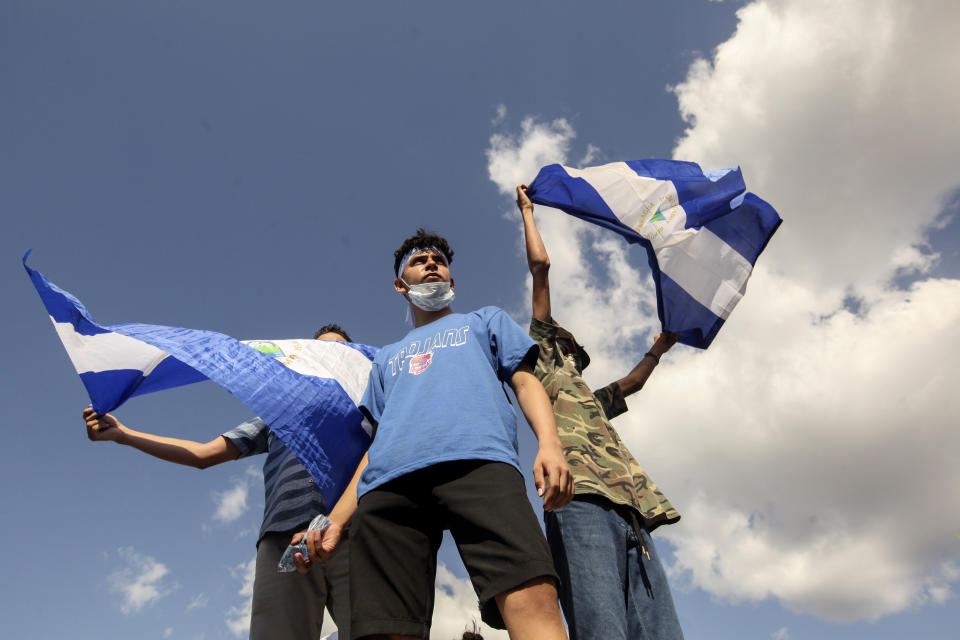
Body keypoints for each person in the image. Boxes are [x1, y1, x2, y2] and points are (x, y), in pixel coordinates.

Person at [294, 229, 574, 640]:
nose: (431, 264)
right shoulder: (386, 359)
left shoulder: (485, 321)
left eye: (438, 261)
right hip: (390, 489)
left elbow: (526, 382)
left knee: (531, 595)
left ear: (452, 282)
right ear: (400, 285)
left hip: (480, 464)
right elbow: (377, 445)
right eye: (418, 261)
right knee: (385, 627)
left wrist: (550, 444)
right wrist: (335, 521)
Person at [83, 324, 355, 640]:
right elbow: (203, 454)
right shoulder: (278, 415)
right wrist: (125, 435)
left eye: (341, 348)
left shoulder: (368, 403)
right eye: (322, 348)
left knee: (380, 631)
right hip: (285, 537)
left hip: (355, 535)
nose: (332, 352)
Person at [516, 185, 685, 640]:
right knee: (601, 628)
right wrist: (528, 212)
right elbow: (541, 269)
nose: (571, 342)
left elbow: (632, 383)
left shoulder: (589, 397)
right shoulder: (545, 370)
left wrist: (661, 349)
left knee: (661, 631)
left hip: (630, 508)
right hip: (580, 499)